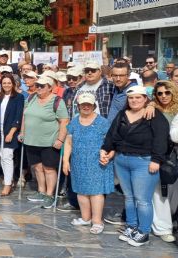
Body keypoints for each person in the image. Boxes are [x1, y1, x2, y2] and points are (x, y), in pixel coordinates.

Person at [101, 85, 169, 246]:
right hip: (122, 160)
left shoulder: (154, 115)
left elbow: (161, 139)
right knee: (129, 197)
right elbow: (112, 135)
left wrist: (156, 160)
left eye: (138, 97)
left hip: (144, 162)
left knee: (143, 200)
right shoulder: (122, 114)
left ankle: (143, 231)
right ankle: (132, 226)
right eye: (131, 97)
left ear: (146, 99)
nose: (134, 100)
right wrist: (106, 149)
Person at [62, 93, 113, 234]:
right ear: (78, 106)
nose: (85, 107)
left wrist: (108, 155)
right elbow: (68, 142)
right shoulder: (74, 121)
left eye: (88, 104)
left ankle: (97, 221)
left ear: (94, 106)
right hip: (78, 162)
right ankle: (85, 218)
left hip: (97, 162)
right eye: (82, 104)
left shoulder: (103, 122)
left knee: (96, 192)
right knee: (81, 190)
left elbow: (111, 142)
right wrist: (66, 160)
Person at [20, 75, 69, 208]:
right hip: (31, 140)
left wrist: (60, 139)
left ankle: (49, 194)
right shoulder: (31, 98)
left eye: (42, 86)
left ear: (50, 88)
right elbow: (25, 116)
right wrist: (22, 132)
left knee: (49, 169)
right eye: (37, 85)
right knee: (37, 167)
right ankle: (41, 191)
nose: (39, 88)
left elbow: (64, 121)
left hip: (49, 141)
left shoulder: (57, 101)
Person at [150, 80, 178, 242]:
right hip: (161, 156)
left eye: (167, 92)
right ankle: (162, 227)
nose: (164, 96)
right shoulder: (153, 109)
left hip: (174, 155)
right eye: (160, 93)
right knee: (160, 192)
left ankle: (171, 220)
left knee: (174, 192)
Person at [0, 74, 24, 196]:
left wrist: (11, 132)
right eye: (4, 83)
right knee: (2, 158)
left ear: (13, 84)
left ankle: (7, 184)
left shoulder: (19, 97)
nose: (6, 85)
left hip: (10, 132)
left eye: (9, 83)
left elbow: (18, 116)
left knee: (7, 157)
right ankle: (9, 180)